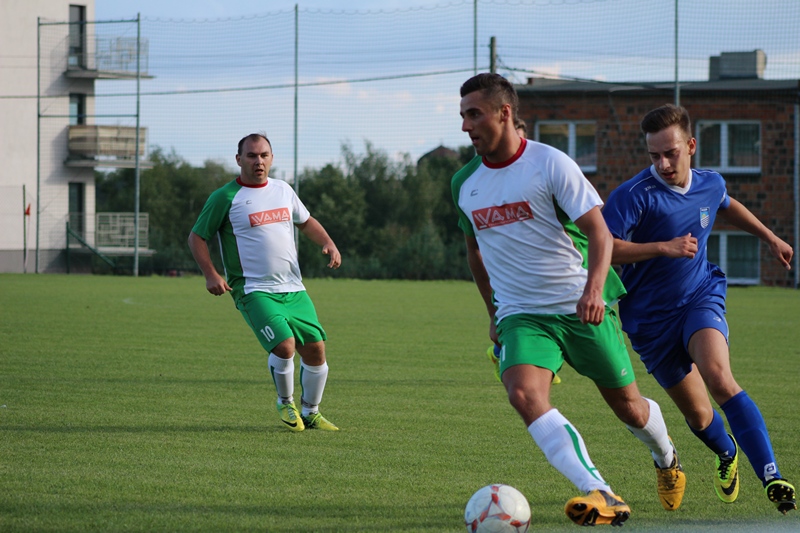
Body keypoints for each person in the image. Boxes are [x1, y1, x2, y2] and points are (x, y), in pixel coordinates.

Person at [452, 73, 685, 527]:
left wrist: (594, 291)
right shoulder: (464, 182)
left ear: (504, 113)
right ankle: (600, 490)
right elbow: (474, 252)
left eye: (474, 114)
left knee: (630, 408)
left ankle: (666, 456)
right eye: (462, 116)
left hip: (579, 306)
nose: (465, 126)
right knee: (524, 394)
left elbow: (599, 232)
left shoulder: (550, 163)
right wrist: (494, 313)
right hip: (522, 315)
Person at [602, 103, 796, 514]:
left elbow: (727, 204)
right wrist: (662, 247)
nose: (663, 164)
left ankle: (772, 476)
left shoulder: (710, 182)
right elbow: (603, 248)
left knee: (720, 377)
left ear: (690, 146)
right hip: (650, 323)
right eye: (654, 155)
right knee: (699, 415)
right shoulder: (634, 196)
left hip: (698, 298)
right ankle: (727, 454)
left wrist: (770, 237)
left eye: (671, 153)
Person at [188, 133, 342, 433]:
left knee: (315, 349)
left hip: (293, 288)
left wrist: (328, 242)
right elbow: (197, 237)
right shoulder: (225, 197)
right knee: (284, 346)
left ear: (271, 158)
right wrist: (211, 274)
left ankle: (311, 412)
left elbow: (306, 221)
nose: (258, 161)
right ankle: (285, 402)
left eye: (264, 155)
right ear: (239, 159)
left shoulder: (283, 190)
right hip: (253, 289)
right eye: (251, 156)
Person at [486, 116, 563, 385]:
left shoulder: (544, 168)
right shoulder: (484, 181)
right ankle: (511, 356)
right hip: (514, 276)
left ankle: (519, 358)